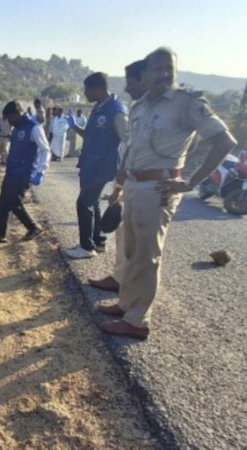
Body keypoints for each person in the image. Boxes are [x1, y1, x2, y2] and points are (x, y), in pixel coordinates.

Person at [96, 47, 237, 340]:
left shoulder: (186, 102)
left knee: (148, 256)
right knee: (132, 251)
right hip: (134, 185)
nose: (163, 74)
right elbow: (134, 145)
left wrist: (189, 181)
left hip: (157, 189)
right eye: (157, 69)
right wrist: (122, 176)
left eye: (168, 69)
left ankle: (137, 322)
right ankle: (126, 305)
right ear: (145, 75)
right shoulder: (141, 105)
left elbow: (223, 141)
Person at [89, 59, 148, 292]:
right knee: (123, 232)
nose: (126, 88)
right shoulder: (139, 108)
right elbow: (129, 147)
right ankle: (120, 278)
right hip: (126, 176)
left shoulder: (122, 111)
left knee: (144, 243)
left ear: (145, 80)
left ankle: (134, 294)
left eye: (131, 82)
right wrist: (119, 185)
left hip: (147, 181)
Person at [63, 72, 128, 259]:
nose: (85, 93)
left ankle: (86, 247)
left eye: (87, 89)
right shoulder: (98, 108)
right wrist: (75, 127)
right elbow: (91, 136)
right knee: (93, 203)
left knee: (83, 203)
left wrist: (122, 175)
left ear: (98, 88)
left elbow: (127, 140)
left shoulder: (116, 110)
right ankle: (98, 241)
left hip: (102, 167)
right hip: (89, 165)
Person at [0, 101, 49, 243]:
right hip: (12, 171)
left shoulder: (34, 128)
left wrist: (40, 172)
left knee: (14, 201)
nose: (8, 122)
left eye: (9, 118)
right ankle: (0, 235)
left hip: (25, 173)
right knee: (3, 202)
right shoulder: (16, 129)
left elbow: (45, 150)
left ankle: (33, 227)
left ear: (17, 114)